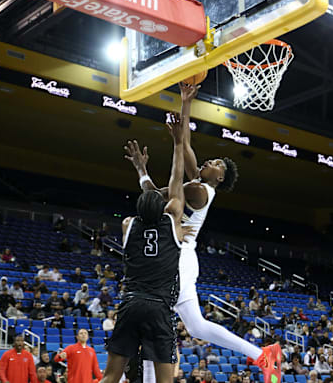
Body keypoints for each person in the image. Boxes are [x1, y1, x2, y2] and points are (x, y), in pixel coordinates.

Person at [125, 83, 279, 382]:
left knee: (153, 320)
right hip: (181, 258)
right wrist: (185, 103)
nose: (210, 161)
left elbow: (161, 192)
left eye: (216, 164)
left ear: (219, 177)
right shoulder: (199, 182)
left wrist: (145, 170)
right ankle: (262, 354)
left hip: (178, 258)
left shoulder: (200, 191)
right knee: (193, 327)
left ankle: (260, 355)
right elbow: (186, 149)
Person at [101, 112, 187, 383]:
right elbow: (176, 179)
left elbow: (152, 198)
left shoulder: (129, 224)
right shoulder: (173, 218)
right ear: (162, 206)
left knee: (111, 376)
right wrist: (177, 142)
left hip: (131, 302)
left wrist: (141, 170)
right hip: (159, 307)